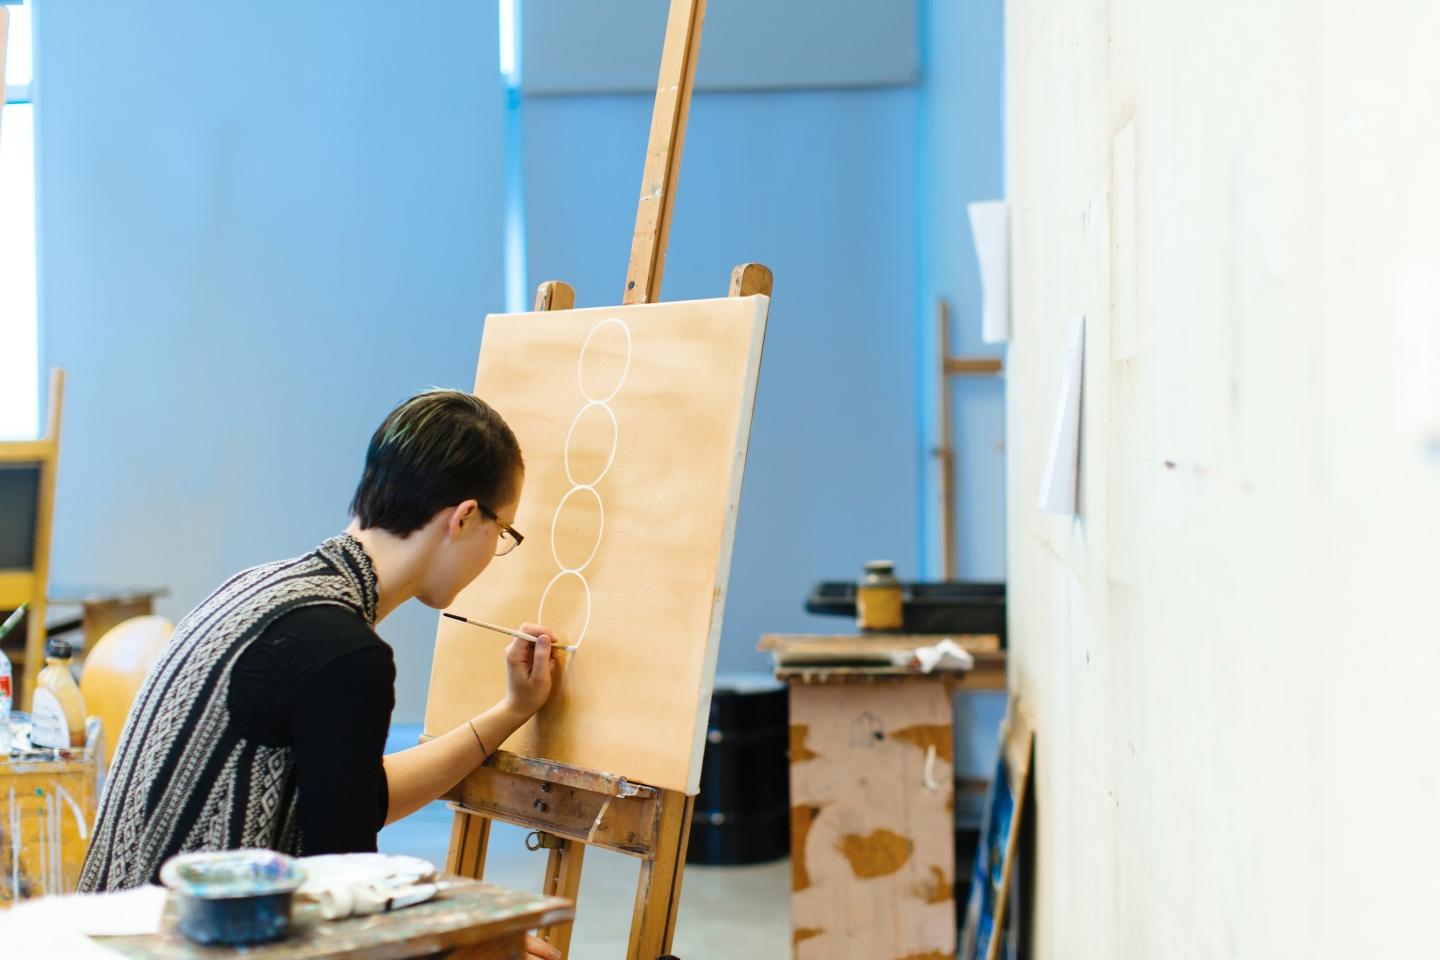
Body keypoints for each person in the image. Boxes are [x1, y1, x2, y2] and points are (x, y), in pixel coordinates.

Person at [79, 389, 565, 960]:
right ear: (463, 518)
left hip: (106, 936)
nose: (496, 551)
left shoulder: (260, 588)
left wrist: (511, 711)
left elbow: (351, 800)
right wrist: (474, 943)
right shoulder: (344, 652)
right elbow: (348, 891)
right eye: (503, 532)